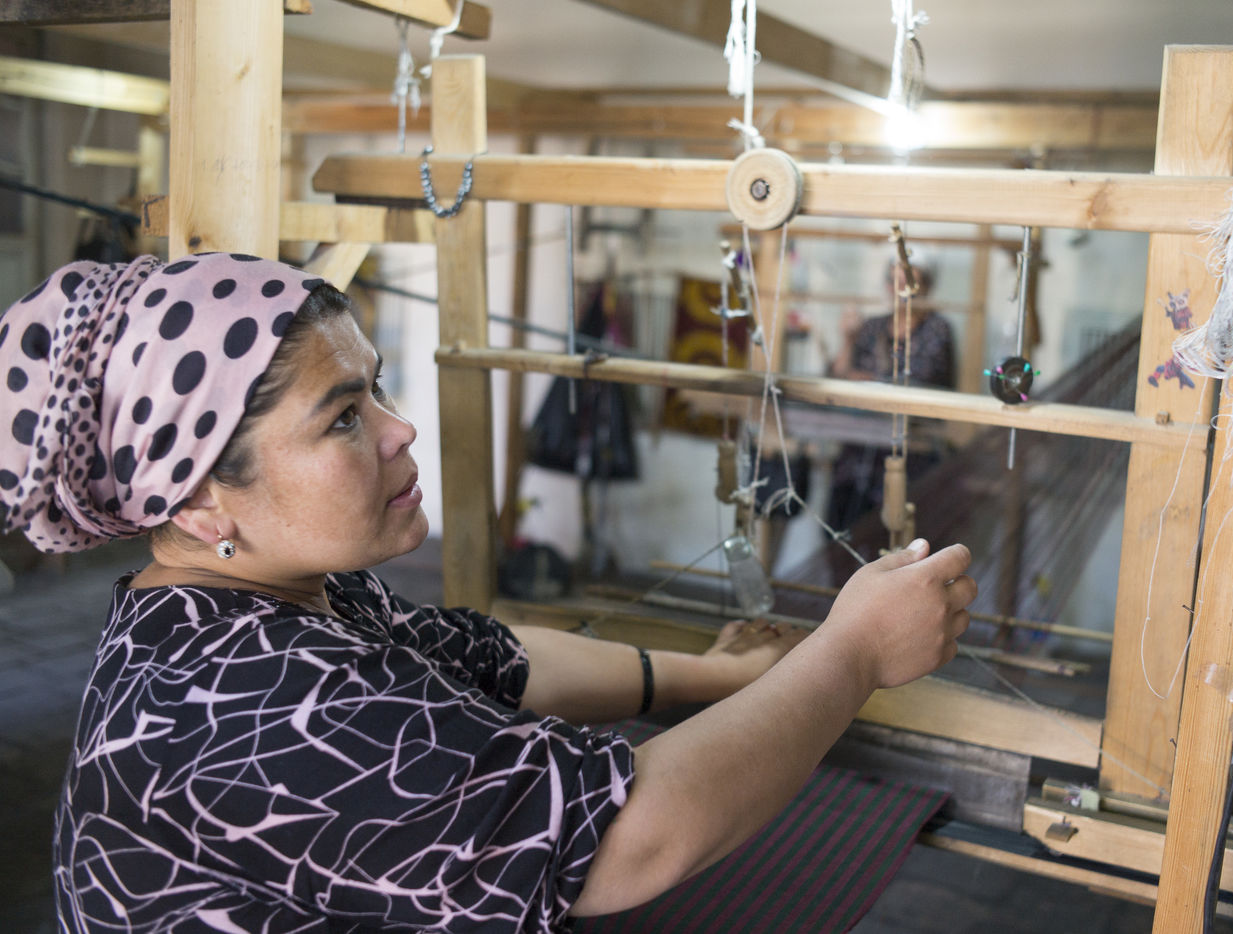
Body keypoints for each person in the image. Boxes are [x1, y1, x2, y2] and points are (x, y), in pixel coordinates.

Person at [0, 252, 975, 932]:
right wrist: (852, 654)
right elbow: (628, 840)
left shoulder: (269, 598)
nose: (400, 429)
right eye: (343, 419)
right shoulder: (253, 702)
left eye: (377, 389)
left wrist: (711, 677)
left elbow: (498, 658)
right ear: (202, 499)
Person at [826, 260, 956, 532]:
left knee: (901, 529)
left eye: (909, 284)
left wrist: (866, 380)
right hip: (860, 447)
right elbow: (840, 376)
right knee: (843, 525)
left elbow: (919, 382)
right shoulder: (873, 327)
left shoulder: (937, 329)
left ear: (926, 289)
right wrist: (847, 339)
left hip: (913, 449)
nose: (901, 291)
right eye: (895, 283)